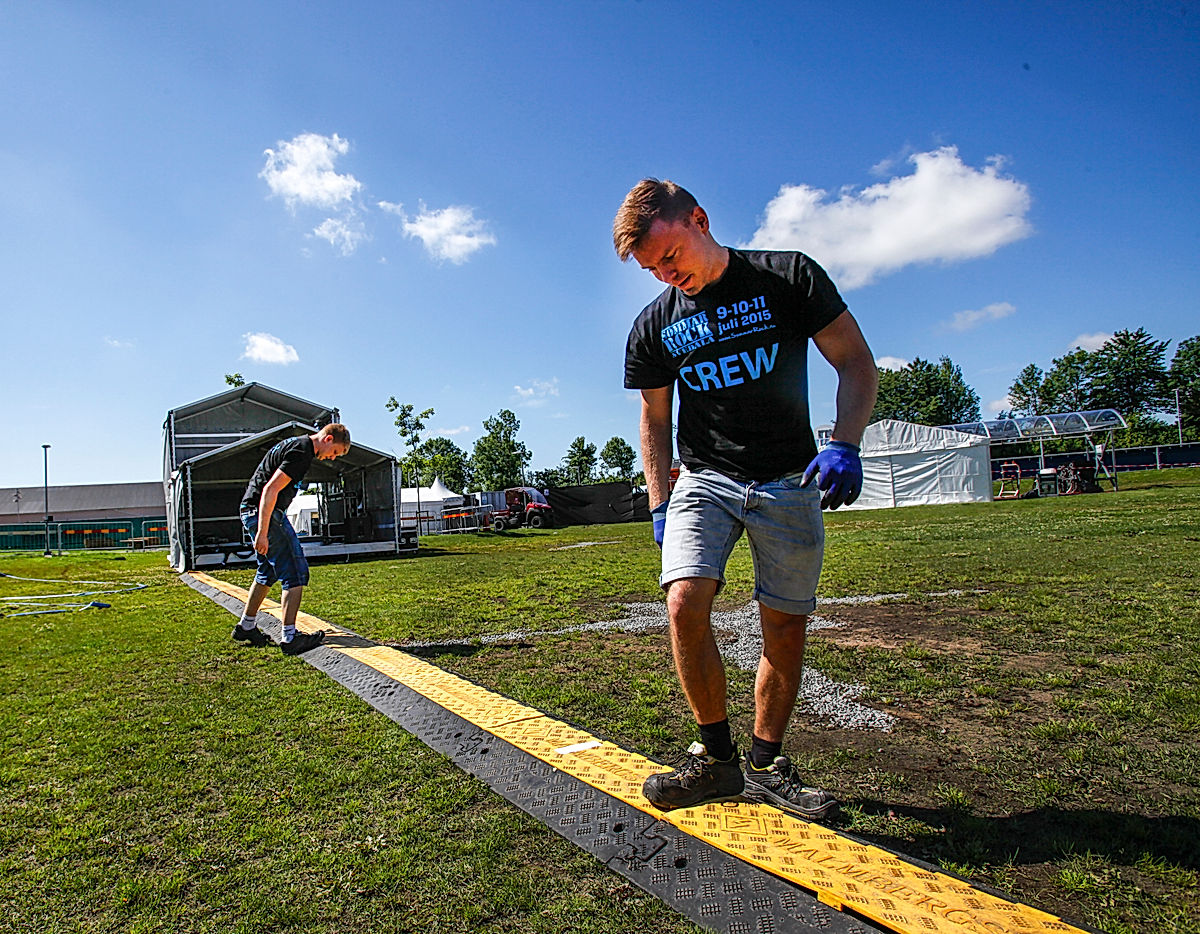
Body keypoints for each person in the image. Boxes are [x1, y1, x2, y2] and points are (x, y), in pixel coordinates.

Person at [615, 179, 878, 818]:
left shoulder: (788, 277)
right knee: (682, 600)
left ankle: (765, 762)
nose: (666, 276)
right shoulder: (654, 325)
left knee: (784, 624)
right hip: (705, 478)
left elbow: (856, 363)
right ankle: (715, 760)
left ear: (699, 219)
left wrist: (845, 443)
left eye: (669, 257)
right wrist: (658, 499)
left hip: (791, 478)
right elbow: (654, 419)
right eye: (652, 270)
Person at [231, 423, 351, 654]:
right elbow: (270, 490)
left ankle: (246, 625)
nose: (332, 458)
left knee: (268, 571)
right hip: (265, 513)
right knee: (296, 572)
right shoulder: (301, 452)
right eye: (335, 452)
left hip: (256, 511)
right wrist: (263, 532)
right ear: (327, 439)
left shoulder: (295, 444)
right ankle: (289, 637)